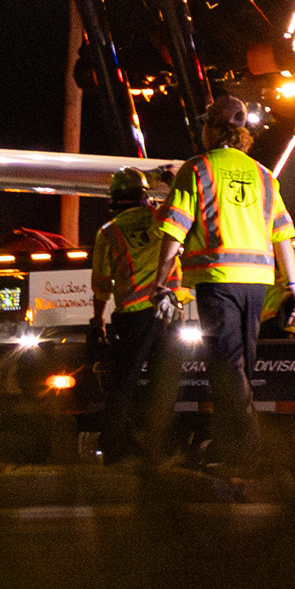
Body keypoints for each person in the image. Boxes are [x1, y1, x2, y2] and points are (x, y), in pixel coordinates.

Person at [156, 97, 295, 473]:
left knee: (226, 366)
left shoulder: (197, 169)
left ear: (212, 128)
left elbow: (174, 228)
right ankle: (231, 449)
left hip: (217, 279)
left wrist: (162, 282)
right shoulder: (264, 174)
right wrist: (293, 285)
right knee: (240, 367)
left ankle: (249, 451)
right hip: (256, 283)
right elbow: (282, 235)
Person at [86, 166, 185, 464]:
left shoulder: (109, 232)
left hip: (133, 318)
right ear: (143, 195)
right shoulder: (162, 219)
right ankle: (160, 449)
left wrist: (98, 320)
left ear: (114, 198)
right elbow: (182, 205)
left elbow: (102, 285)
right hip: (169, 314)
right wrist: (168, 179)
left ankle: (115, 451)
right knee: (165, 385)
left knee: (123, 385)